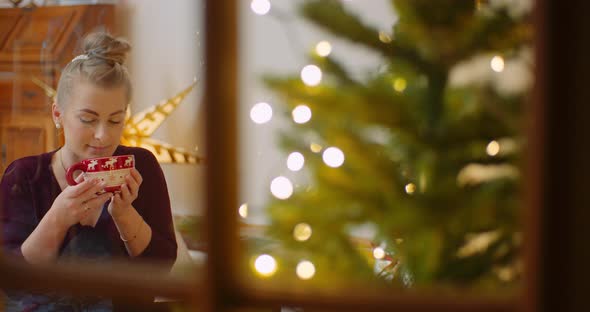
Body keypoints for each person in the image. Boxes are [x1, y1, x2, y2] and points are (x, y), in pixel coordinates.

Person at [0, 32, 177, 311]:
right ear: (58, 114)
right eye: (88, 119)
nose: (102, 135)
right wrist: (58, 218)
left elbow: (160, 269)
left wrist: (125, 215)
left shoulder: (141, 166)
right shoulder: (23, 176)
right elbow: (13, 280)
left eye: (115, 120)